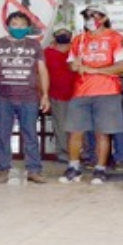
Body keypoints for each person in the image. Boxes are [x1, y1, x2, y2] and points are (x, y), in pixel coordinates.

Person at [60, 4, 123, 184]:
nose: (90, 20)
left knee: (103, 132)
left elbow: (122, 67)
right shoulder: (79, 39)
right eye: (87, 16)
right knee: (75, 131)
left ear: (104, 18)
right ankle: (73, 167)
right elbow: (71, 63)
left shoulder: (115, 38)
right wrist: (73, 66)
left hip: (107, 91)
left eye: (94, 16)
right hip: (81, 91)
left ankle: (100, 168)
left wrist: (92, 69)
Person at [0, 11, 51, 184]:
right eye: (15, 24)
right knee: (3, 134)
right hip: (3, 97)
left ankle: (34, 170)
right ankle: (3, 169)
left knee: (30, 134)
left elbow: (42, 71)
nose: (18, 28)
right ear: (8, 26)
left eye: (22, 25)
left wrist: (45, 95)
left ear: (28, 27)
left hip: (29, 97)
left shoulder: (34, 45)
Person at [44, 26, 78, 160]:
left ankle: (81, 152)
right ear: (54, 36)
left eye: (66, 33)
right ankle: (63, 152)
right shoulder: (47, 53)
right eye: (59, 33)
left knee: (79, 125)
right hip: (57, 94)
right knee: (61, 125)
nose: (63, 35)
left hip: (78, 94)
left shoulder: (76, 51)